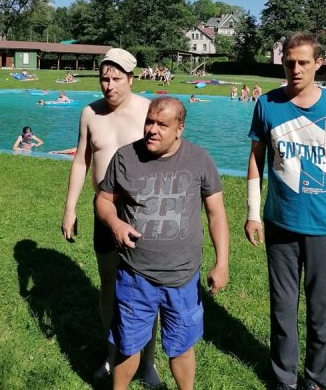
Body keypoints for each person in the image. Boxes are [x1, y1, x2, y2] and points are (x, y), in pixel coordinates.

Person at [245, 32, 326, 390]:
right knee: (282, 308)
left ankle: (317, 382)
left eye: (303, 62)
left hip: (325, 225)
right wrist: (253, 211)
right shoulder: (267, 104)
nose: (296, 69)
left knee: (321, 312)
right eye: (289, 63)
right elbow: (256, 158)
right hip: (280, 222)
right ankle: (284, 380)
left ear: (318, 63)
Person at [96, 96, 229, 390]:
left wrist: (222, 263)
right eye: (149, 122)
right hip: (135, 274)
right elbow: (103, 200)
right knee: (128, 344)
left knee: (181, 346)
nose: (152, 130)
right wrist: (115, 223)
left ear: (180, 128)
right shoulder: (125, 157)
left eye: (162, 125)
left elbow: (216, 213)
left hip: (182, 277)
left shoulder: (199, 160)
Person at [61, 48, 161, 386]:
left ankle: (148, 361)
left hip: (141, 213)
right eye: (104, 78)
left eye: (117, 79)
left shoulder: (148, 111)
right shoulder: (90, 113)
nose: (109, 85)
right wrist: (70, 208)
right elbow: (81, 160)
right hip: (104, 212)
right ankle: (112, 353)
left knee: (146, 289)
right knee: (109, 285)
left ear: (131, 78)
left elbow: (167, 158)